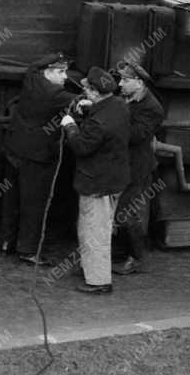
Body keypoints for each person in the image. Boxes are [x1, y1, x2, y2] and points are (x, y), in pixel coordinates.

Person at [59, 66, 130, 294]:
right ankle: (92, 269)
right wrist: (92, 108)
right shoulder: (118, 105)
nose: (85, 93)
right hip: (115, 179)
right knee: (100, 228)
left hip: (97, 183)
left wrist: (70, 125)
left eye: (87, 90)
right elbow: (106, 117)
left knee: (93, 231)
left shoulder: (97, 123)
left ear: (96, 91)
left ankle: (99, 282)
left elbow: (80, 147)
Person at [2, 53, 77, 264]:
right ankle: (28, 250)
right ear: (47, 73)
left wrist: (56, 56)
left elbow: (33, 65)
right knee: (33, 204)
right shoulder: (55, 94)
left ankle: (7, 241)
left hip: (14, 150)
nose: (64, 77)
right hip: (36, 157)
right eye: (60, 72)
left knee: (12, 199)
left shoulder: (31, 80)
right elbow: (83, 101)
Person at [111, 62, 165, 275]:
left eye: (125, 80)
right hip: (121, 165)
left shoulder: (152, 108)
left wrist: (112, 121)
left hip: (137, 168)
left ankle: (137, 257)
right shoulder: (126, 97)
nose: (120, 83)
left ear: (139, 83)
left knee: (126, 213)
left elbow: (136, 135)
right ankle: (123, 252)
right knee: (119, 212)